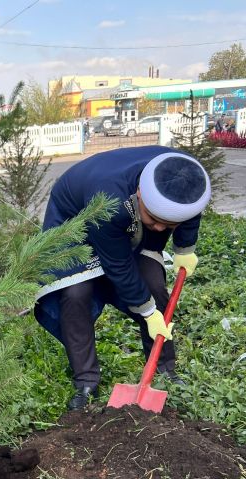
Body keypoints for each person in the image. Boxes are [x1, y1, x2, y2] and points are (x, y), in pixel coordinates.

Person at [35, 146, 211, 410]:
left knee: (153, 285)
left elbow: (189, 214)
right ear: (140, 193)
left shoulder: (184, 177)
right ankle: (86, 379)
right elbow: (118, 264)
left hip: (121, 219)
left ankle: (165, 369)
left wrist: (184, 248)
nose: (161, 228)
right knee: (75, 294)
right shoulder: (110, 199)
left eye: (168, 224)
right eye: (154, 220)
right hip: (76, 220)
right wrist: (149, 312)